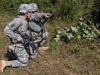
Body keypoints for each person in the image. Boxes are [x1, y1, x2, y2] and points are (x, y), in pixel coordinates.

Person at [0, 4, 33, 72]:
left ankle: (11, 54)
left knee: (30, 55)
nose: (31, 13)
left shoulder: (25, 19)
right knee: (25, 62)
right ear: (25, 13)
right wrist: (16, 36)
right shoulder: (18, 20)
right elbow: (6, 30)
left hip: (20, 44)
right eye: (30, 12)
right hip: (17, 45)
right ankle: (5, 63)